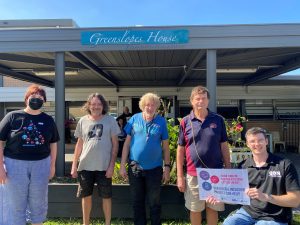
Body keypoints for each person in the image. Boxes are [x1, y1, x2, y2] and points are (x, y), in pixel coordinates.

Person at [0, 84, 59, 225]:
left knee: (38, 201)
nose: (36, 99)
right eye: (33, 96)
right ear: (26, 98)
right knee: (15, 202)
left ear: (44, 101)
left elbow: (53, 143)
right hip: (14, 165)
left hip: (41, 165)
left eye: (40, 97)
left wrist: (52, 165)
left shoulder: (48, 120)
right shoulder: (12, 116)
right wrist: (0, 168)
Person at [222, 127, 300, 225]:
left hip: (275, 216)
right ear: (247, 144)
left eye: (260, 140)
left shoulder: (284, 165)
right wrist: (219, 197)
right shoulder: (243, 166)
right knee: (228, 223)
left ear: (266, 141)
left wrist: (266, 197)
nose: (257, 144)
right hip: (248, 213)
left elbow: (295, 200)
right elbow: (235, 194)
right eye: (252, 141)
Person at [176, 86, 231, 225]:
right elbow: (180, 149)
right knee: (195, 209)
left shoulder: (218, 120)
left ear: (208, 101)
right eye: (197, 99)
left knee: (213, 208)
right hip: (193, 174)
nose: (200, 101)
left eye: (204, 98)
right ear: (191, 101)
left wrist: (228, 169)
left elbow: (224, 146)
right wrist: (179, 176)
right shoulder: (185, 121)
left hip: (216, 173)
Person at [120, 93, 170, 225]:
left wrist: (167, 168)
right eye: (147, 104)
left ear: (157, 107)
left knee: (155, 202)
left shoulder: (161, 121)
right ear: (142, 106)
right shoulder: (134, 119)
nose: (150, 107)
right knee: (137, 201)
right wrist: (122, 166)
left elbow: (165, 147)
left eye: (153, 104)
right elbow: (126, 144)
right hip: (135, 167)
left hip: (155, 168)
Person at [71, 93, 120, 225]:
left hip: (104, 166)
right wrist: (74, 165)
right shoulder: (82, 121)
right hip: (85, 165)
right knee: (86, 196)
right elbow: (79, 144)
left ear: (103, 105)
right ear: (88, 105)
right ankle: (86, 223)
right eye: (93, 104)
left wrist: (111, 166)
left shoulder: (110, 120)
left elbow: (115, 144)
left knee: (106, 196)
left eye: (99, 104)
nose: (96, 106)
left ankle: (107, 223)